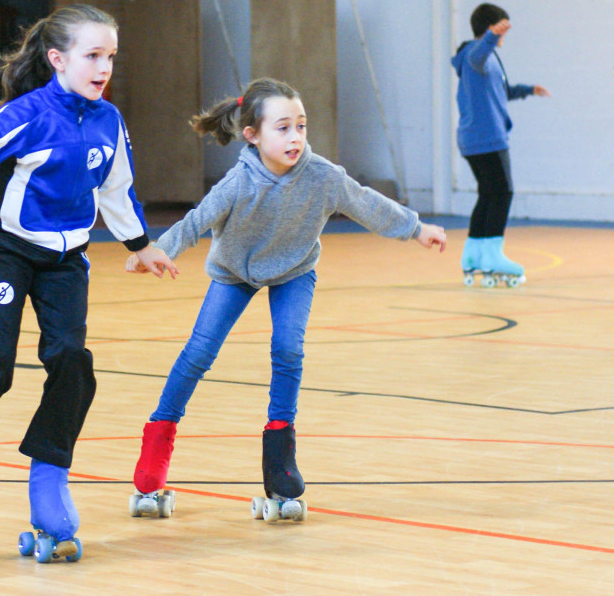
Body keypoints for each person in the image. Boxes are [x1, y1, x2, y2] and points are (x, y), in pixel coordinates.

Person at [0, 4, 177, 562]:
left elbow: (117, 189)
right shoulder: (26, 116)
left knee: (72, 363)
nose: (104, 66)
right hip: (4, 252)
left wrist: (140, 244)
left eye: (110, 57)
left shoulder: (109, 120)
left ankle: (49, 477)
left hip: (65, 260)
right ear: (58, 59)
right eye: (92, 55)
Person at [124, 77, 446, 521]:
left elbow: (366, 203)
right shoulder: (238, 183)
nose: (296, 137)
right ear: (252, 135)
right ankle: (154, 457)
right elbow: (197, 221)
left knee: (288, 350)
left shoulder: (323, 177)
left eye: (301, 126)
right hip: (235, 271)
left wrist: (416, 228)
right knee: (198, 353)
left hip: (294, 269)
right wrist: (159, 251)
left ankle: (281, 466)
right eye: (283, 128)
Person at [451, 3, 550, 287]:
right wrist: (491, 37)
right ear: (490, 27)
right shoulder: (475, 53)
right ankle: (493, 256)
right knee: (503, 192)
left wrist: (529, 90)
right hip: (487, 138)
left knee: (488, 194)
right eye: (500, 28)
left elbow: (502, 91)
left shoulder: (488, 58)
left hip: (476, 139)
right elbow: (479, 54)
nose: (504, 34)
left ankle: (473, 255)